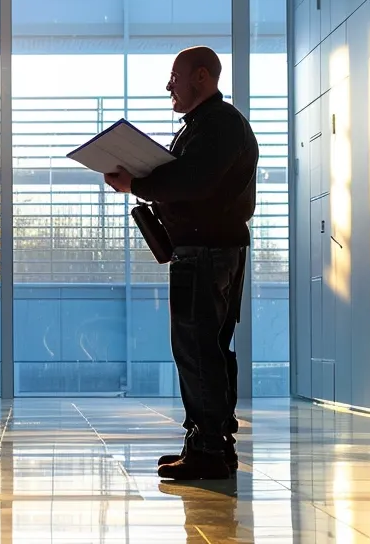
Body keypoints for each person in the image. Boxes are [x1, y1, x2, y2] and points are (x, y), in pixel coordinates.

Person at [103, 46, 257, 481]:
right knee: (207, 348)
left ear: (202, 77)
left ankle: (209, 448)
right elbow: (191, 178)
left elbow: (194, 181)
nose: (168, 85)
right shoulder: (209, 126)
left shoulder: (220, 125)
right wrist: (142, 184)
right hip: (212, 247)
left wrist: (138, 183)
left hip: (205, 250)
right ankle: (211, 443)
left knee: (195, 348)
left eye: (175, 76)